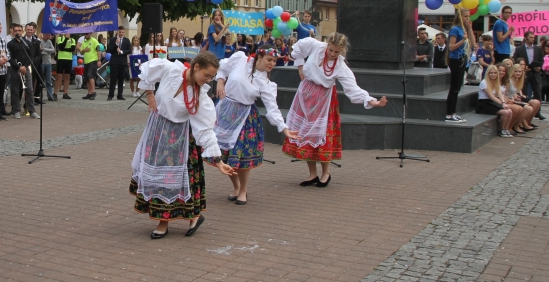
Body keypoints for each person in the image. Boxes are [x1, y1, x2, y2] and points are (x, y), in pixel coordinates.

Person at [130, 51, 236, 238]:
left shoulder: (200, 95)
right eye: (207, 75)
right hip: (158, 128)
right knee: (158, 173)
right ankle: (187, 217)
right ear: (196, 67)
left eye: (212, 77)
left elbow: (205, 128)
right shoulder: (170, 69)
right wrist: (150, 95)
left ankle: (169, 220)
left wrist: (219, 161)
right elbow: (146, 71)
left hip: (180, 137)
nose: (209, 80)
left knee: (174, 177)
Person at [284, 32, 387, 187]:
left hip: (324, 99)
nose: (332, 54)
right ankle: (312, 174)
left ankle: (326, 173)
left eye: (336, 52)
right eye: (330, 50)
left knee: (323, 135)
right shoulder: (316, 46)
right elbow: (297, 48)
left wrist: (372, 101)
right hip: (305, 94)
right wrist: (300, 67)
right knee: (304, 133)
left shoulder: (340, 66)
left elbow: (352, 88)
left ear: (342, 51)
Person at [214, 46, 298, 204]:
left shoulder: (265, 82)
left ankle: (243, 190)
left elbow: (272, 108)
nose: (272, 63)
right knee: (225, 155)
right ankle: (236, 186)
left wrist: (284, 128)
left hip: (245, 117)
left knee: (242, 156)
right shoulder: (240, 59)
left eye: (274, 61)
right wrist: (220, 82)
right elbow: (223, 68)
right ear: (259, 57)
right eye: (269, 59)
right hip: (226, 111)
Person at [444, 9, 472, 124]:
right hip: (455, 58)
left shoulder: (463, 29)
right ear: (460, 17)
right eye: (465, 16)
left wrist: (469, 29)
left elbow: (474, 44)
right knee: (454, 87)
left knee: (458, 88)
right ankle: (449, 114)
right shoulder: (455, 29)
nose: (467, 18)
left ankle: (454, 113)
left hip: (463, 58)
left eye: (468, 16)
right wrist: (463, 40)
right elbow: (451, 47)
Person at [6, 23, 38, 119]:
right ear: (12, 31)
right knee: (15, 90)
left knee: (29, 89)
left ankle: (32, 110)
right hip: (15, 69)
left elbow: (31, 56)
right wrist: (18, 67)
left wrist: (25, 66)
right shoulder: (10, 44)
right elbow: (10, 58)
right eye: (15, 31)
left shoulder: (27, 43)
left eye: (19, 31)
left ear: (22, 31)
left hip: (25, 68)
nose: (17, 32)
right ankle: (16, 110)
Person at [476, 65, 516, 138]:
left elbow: (500, 94)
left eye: (495, 73)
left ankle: (506, 129)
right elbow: (491, 96)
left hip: (492, 102)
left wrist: (503, 102)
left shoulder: (496, 82)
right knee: (505, 112)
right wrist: (502, 104)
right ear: (488, 73)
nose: (493, 75)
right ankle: (502, 130)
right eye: (491, 73)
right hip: (484, 104)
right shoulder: (484, 82)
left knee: (509, 111)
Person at [514, 31, 545, 106]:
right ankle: (525, 108)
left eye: (533, 37)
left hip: (535, 73)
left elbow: (541, 60)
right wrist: (522, 68)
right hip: (524, 73)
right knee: (524, 92)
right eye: (531, 37)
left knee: (537, 92)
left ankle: (537, 111)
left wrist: (539, 67)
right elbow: (515, 60)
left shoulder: (538, 49)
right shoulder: (519, 49)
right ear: (526, 38)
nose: (532, 39)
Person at [507, 64, 541, 132]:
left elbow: (513, 93)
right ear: (512, 71)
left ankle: (525, 124)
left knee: (533, 104)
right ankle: (517, 125)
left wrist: (516, 97)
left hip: (514, 99)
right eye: (516, 71)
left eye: (519, 72)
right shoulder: (509, 81)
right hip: (508, 100)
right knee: (527, 108)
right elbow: (505, 93)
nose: (518, 73)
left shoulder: (517, 80)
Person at [23, 23, 45, 109]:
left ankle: (29, 105)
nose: (29, 31)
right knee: (22, 86)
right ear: (25, 30)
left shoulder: (37, 41)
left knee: (31, 85)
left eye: (31, 30)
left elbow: (38, 55)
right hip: (24, 66)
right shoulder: (21, 40)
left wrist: (32, 61)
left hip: (33, 66)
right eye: (28, 30)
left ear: (33, 30)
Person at [107, 25, 131, 101]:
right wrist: (116, 44)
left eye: (122, 32)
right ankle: (110, 95)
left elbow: (129, 50)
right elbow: (110, 50)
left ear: (124, 32)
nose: (121, 33)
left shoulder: (127, 40)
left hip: (122, 62)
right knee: (113, 79)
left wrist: (121, 51)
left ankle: (120, 95)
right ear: (118, 32)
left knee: (121, 79)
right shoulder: (112, 39)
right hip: (114, 62)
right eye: (120, 32)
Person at [77, 31, 100, 100]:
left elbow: (98, 50)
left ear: (90, 34)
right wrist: (84, 50)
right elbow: (81, 52)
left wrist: (99, 60)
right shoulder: (84, 42)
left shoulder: (94, 41)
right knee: (86, 77)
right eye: (84, 34)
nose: (85, 35)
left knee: (90, 75)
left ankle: (93, 92)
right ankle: (89, 93)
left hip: (93, 61)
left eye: (86, 34)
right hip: (86, 61)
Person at [55, 33, 76, 100]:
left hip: (69, 59)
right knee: (59, 76)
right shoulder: (60, 38)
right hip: (61, 59)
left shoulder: (72, 40)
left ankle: (65, 93)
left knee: (67, 76)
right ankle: (55, 93)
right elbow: (60, 47)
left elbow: (72, 49)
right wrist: (66, 39)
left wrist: (64, 49)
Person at [39, 32, 56, 102]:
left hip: (48, 63)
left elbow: (53, 50)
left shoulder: (49, 42)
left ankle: (50, 95)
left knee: (49, 80)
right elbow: (40, 51)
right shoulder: (40, 41)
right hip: (42, 62)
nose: (48, 37)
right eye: (47, 35)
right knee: (40, 80)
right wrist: (46, 50)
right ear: (44, 34)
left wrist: (45, 49)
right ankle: (39, 96)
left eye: (49, 35)